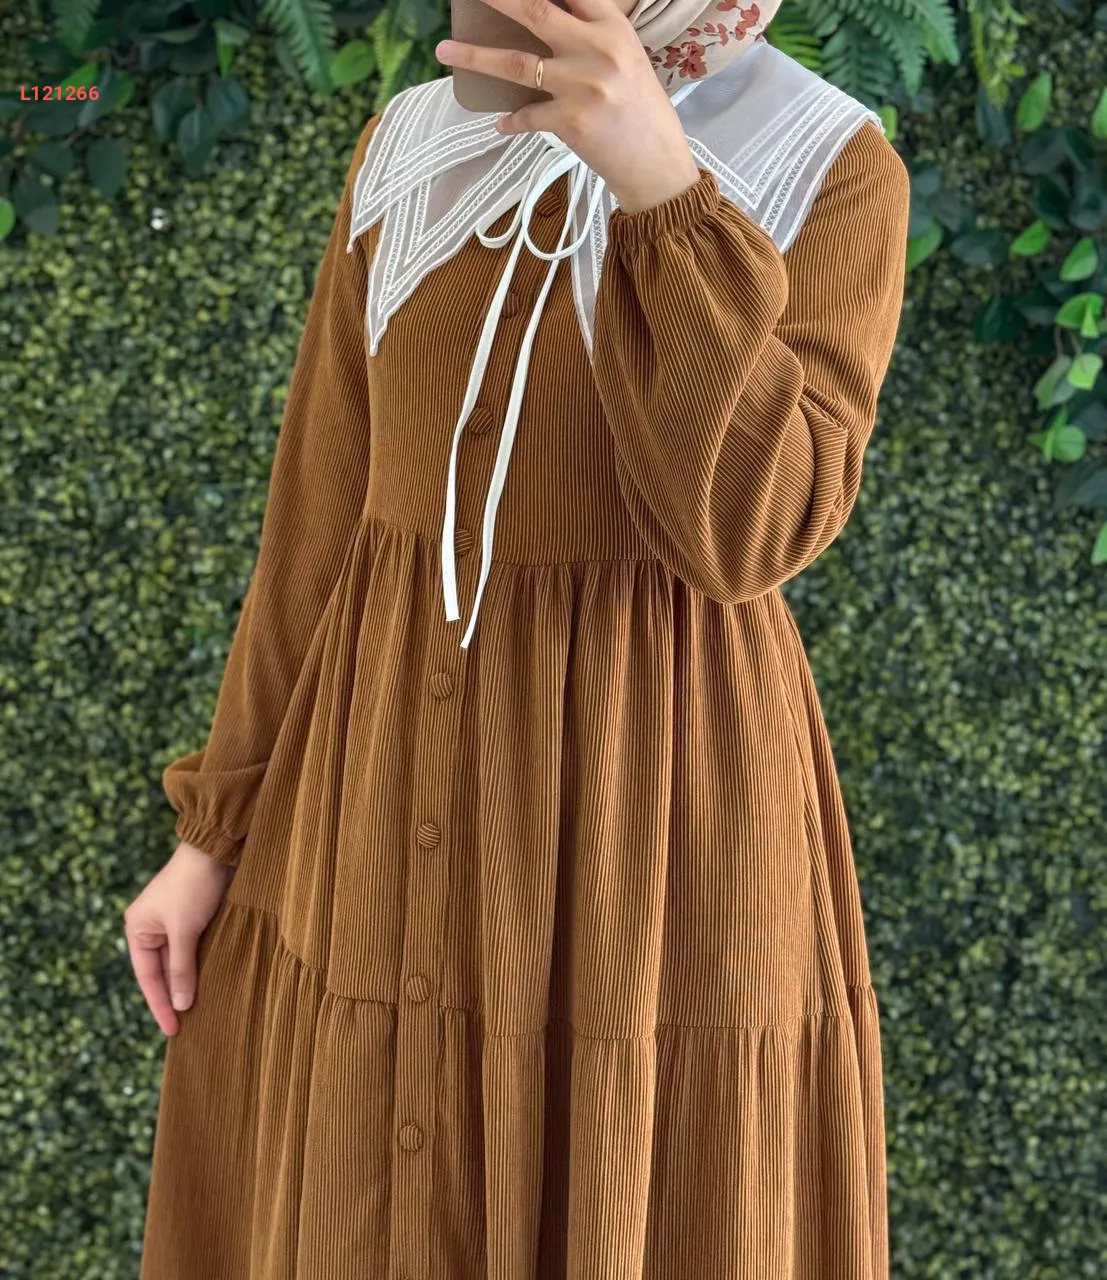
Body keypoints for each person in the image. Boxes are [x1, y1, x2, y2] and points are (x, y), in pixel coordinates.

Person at [128, 0, 911, 1273]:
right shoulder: (409, 141)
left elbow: (752, 531)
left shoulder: (825, 160)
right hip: (378, 801)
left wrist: (662, 189)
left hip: (650, 839)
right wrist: (214, 831)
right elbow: (320, 518)